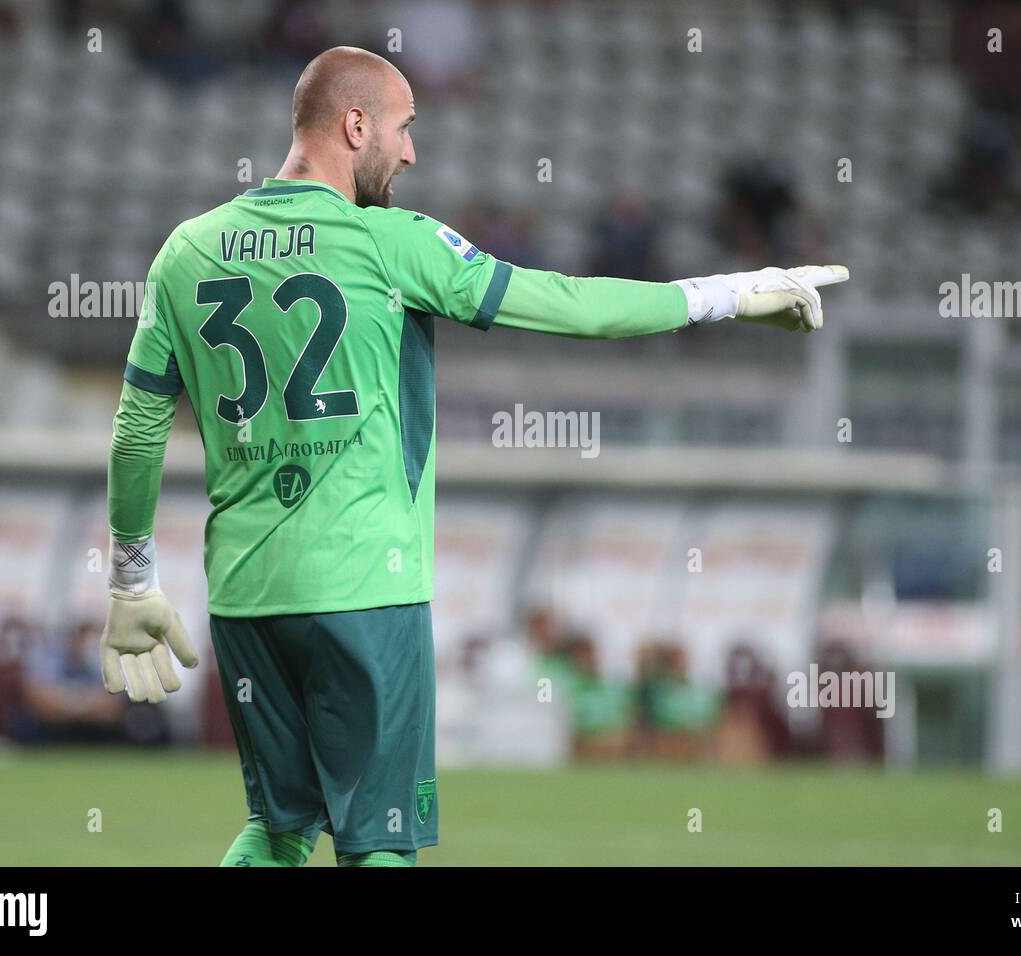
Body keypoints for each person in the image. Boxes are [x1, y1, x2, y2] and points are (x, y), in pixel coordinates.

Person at [99, 46, 848, 868]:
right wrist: (731, 295)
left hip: (244, 595)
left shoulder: (187, 250)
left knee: (279, 831)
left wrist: (132, 578)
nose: (412, 151)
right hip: (365, 591)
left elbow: (137, 429)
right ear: (356, 126)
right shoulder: (391, 243)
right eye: (404, 128)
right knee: (379, 845)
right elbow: (570, 304)